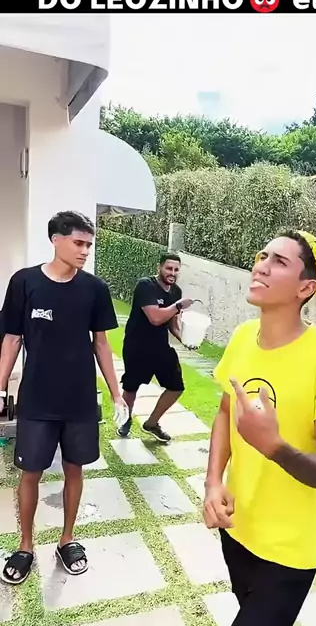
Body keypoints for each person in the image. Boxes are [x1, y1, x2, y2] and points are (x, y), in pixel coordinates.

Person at [203, 229, 316, 626]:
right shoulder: (241, 338)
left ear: (305, 288)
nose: (262, 266)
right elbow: (224, 412)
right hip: (240, 528)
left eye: (279, 262)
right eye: (262, 255)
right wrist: (213, 482)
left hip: (289, 549)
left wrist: (274, 446)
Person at [0, 210, 128, 586]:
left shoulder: (95, 289)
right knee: (30, 473)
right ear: (56, 240)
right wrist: (0, 386)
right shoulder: (24, 283)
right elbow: (11, 340)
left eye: (89, 244)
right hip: (37, 400)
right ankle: (25, 545)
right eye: (79, 243)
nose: (85, 251)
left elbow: (101, 344)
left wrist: (116, 393)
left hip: (80, 401)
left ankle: (67, 540)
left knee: (75, 469)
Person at [117, 253, 194, 442]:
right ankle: (125, 420)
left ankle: (152, 423)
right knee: (131, 387)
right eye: (169, 268)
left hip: (160, 347)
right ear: (159, 268)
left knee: (176, 386)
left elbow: (172, 324)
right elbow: (155, 318)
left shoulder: (175, 291)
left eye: (176, 270)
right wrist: (178, 306)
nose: (172, 273)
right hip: (137, 346)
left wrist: (186, 339)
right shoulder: (146, 286)